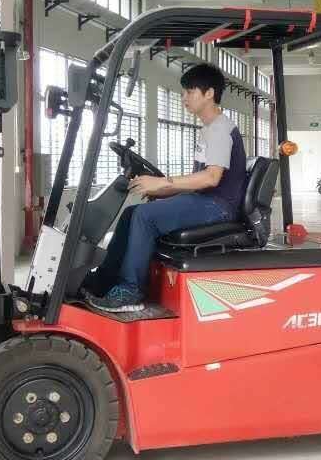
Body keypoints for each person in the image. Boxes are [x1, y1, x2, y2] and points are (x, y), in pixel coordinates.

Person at [86, 63, 246, 313]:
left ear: (209, 93)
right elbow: (198, 179)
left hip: (218, 206)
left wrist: (162, 183)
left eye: (189, 92)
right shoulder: (208, 129)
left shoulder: (220, 130)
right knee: (130, 214)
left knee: (144, 216)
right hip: (205, 200)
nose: (184, 98)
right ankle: (105, 279)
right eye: (184, 92)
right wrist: (160, 190)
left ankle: (130, 291)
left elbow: (211, 178)